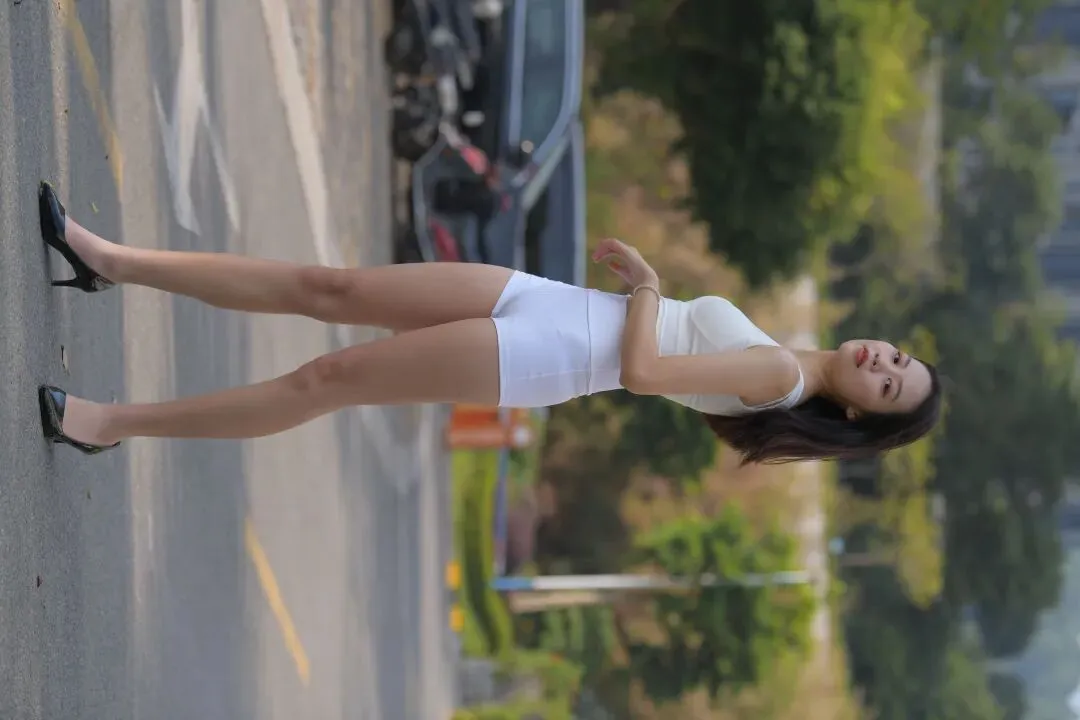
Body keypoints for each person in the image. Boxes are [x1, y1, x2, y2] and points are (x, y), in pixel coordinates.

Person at [34, 181, 942, 463]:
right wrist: (642, 300)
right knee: (330, 286)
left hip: (547, 355)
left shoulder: (779, 378)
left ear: (858, 414)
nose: (881, 362)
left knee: (325, 380)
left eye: (887, 386)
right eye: (897, 358)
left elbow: (644, 375)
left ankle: (112, 424)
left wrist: (651, 288)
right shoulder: (782, 355)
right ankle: (111, 260)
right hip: (544, 301)